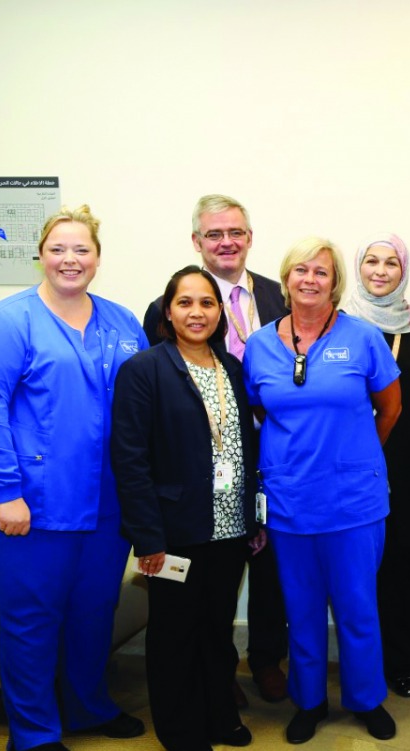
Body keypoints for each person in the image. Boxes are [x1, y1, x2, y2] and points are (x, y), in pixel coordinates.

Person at [0, 205, 147, 751]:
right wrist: (6, 492)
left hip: (103, 502)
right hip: (25, 502)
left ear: (97, 257)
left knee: (94, 610)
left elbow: (140, 409)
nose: (70, 259)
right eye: (59, 248)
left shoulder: (122, 323)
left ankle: (86, 707)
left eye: (81, 249)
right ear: (40, 253)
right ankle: (32, 736)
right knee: (32, 617)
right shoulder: (8, 321)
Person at [243, 236, 402, 744]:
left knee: (358, 607)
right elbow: (262, 410)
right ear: (286, 279)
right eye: (301, 270)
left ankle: (366, 699)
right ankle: (308, 702)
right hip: (290, 503)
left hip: (354, 501)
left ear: (336, 285)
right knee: (302, 610)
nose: (310, 280)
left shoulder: (363, 338)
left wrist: (355, 453)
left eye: (322, 272)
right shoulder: (261, 345)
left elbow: (391, 407)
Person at [142, 194, 289, 706]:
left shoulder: (279, 296)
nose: (226, 243)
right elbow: (157, 400)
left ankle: (268, 658)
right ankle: (215, 673)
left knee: (270, 566)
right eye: (214, 235)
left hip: (274, 454)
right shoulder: (171, 306)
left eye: (236, 233)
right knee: (208, 584)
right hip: (203, 470)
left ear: (250, 237)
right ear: (197, 242)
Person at [112, 266, 262, 751]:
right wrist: (147, 537)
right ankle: (178, 729)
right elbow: (130, 459)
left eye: (207, 303)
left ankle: (221, 714)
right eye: (185, 303)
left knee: (218, 629)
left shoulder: (232, 369)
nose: (197, 312)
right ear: (167, 311)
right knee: (175, 633)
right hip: (174, 529)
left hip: (229, 526)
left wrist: (252, 519)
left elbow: (245, 448)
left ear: (221, 313)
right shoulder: (145, 369)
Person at [344, 234, 410, 698]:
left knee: (403, 571)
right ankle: (359, 666)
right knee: (352, 574)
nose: (380, 271)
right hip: (347, 471)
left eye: (391, 263)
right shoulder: (338, 326)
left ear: (403, 270)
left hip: (406, 473)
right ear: (358, 268)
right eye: (371, 261)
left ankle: (405, 663)